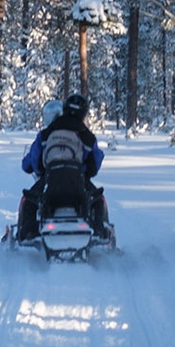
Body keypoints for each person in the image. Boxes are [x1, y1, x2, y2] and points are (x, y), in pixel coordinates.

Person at [17, 93, 110, 238]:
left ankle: (28, 233)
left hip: (49, 182)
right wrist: (84, 170)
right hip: (78, 184)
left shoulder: (45, 134)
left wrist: (36, 168)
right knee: (98, 200)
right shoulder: (88, 137)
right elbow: (95, 165)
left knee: (28, 201)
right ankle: (100, 231)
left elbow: (33, 162)